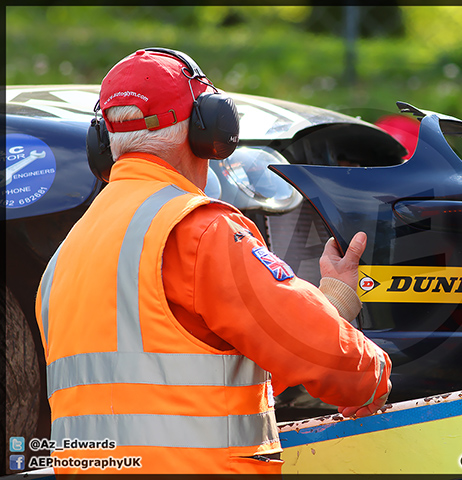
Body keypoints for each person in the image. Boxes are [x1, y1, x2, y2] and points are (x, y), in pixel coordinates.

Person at [35, 48, 391, 475]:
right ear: (210, 131)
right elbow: (318, 353)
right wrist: (369, 378)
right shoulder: (196, 230)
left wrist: (333, 299)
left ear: (103, 143)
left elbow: (204, 373)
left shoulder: (64, 258)